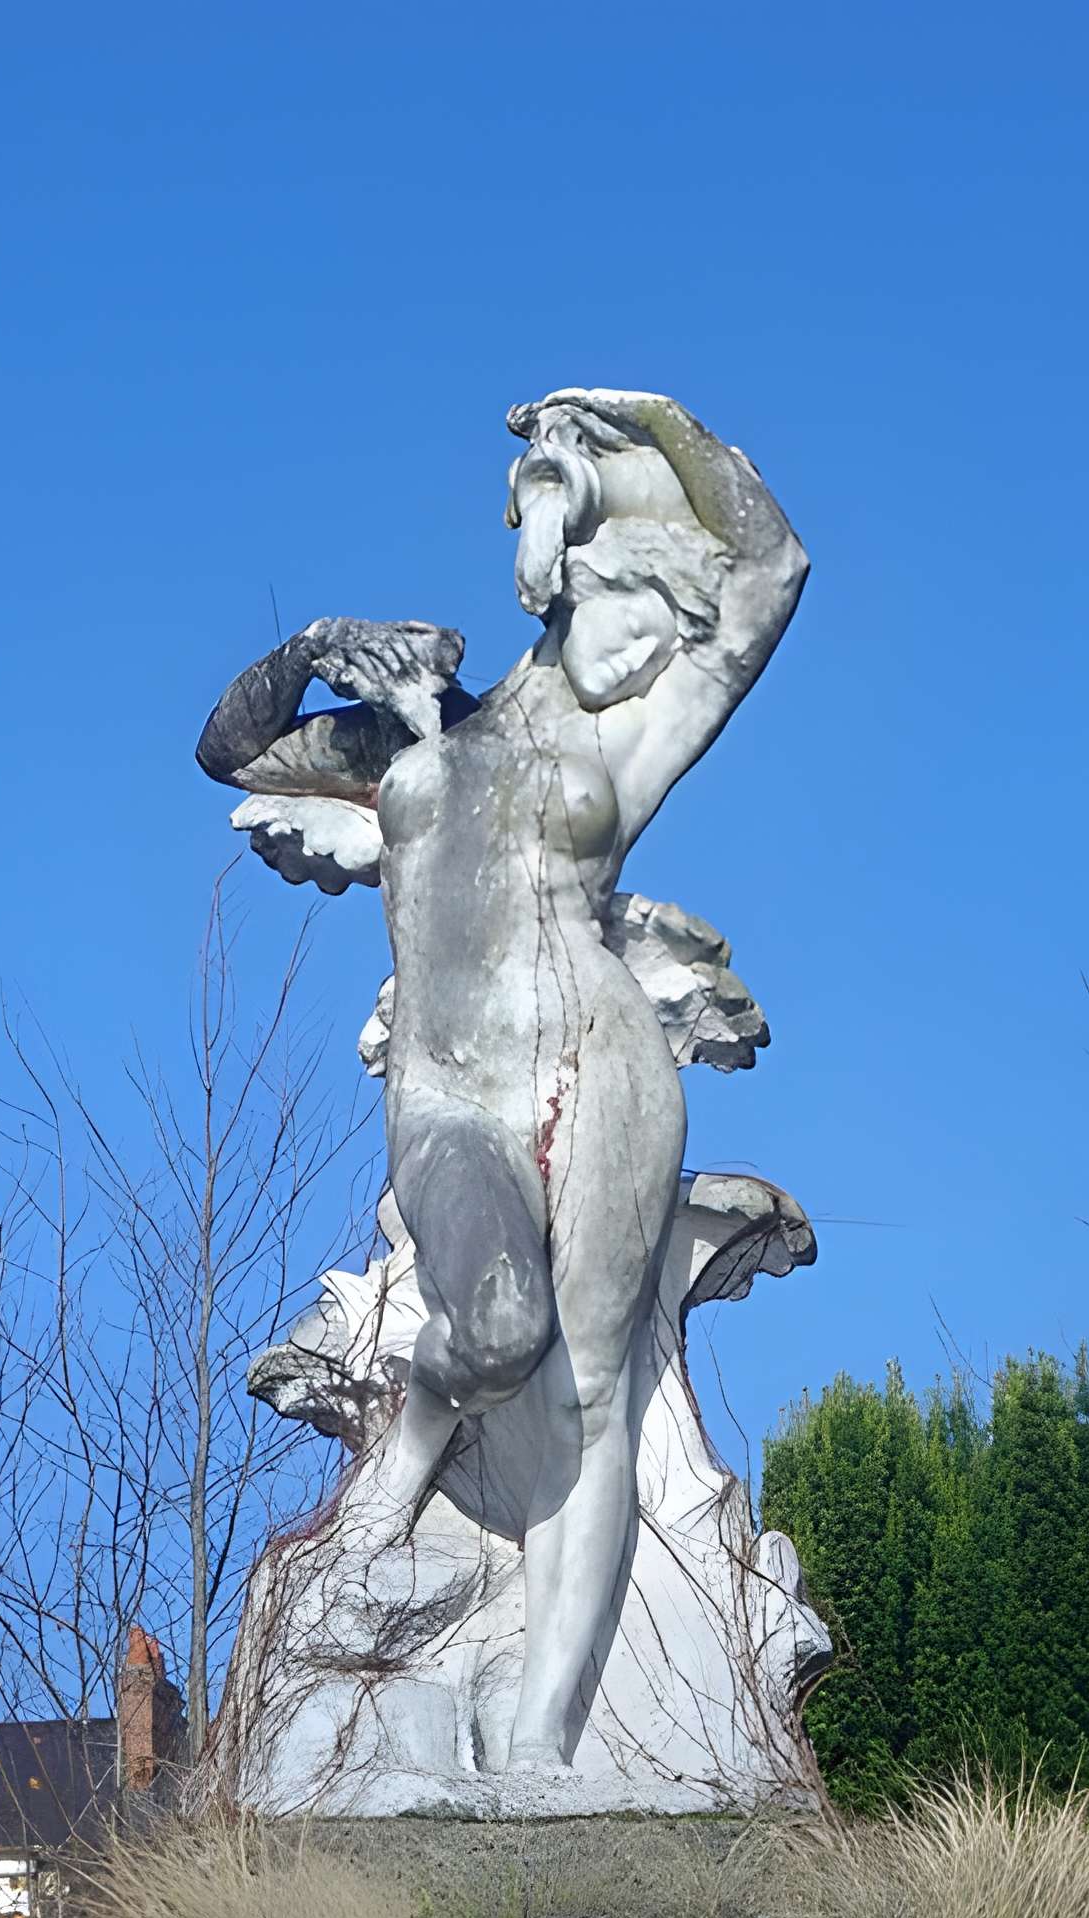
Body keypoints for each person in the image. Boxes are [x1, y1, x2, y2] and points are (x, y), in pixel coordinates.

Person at [198, 389, 806, 1769]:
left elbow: (771, 570)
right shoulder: (402, 745)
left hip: (603, 1070)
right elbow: (228, 750)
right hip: (455, 1091)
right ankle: (400, 1476)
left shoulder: (621, 741)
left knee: (595, 1398)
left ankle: (543, 1753)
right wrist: (309, 646)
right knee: (493, 1328)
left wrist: (649, 415)